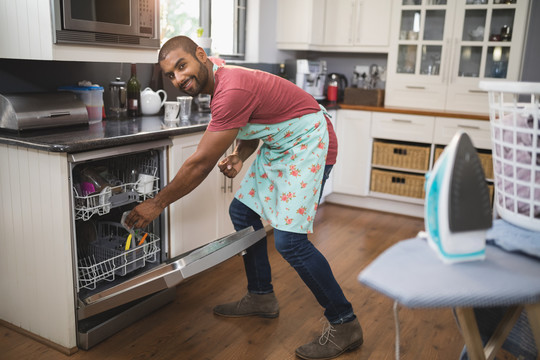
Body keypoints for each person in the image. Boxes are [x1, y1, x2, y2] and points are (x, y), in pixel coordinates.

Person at [125, 35, 363, 360]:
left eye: (182, 66)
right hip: (283, 145)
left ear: (200, 55)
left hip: (309, 142)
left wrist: (156, 203)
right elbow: (261, 116)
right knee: (242, 212)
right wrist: (240, 152)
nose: (179, 79)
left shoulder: (230, 89)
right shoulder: (221, 75)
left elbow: (200, 164)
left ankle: (344, 322)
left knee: (290, 243)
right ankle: (261, 296)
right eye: (171, 75)